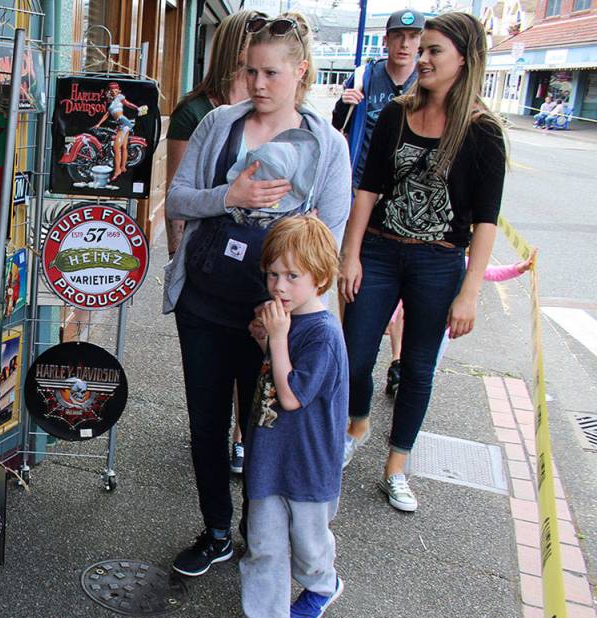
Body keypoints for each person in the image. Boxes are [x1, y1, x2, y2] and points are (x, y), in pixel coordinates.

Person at [164, 12, 351, 577]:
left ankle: (259, 536)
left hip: (272, 316)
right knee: (205, 421)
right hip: (204, 301)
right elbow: (175, 199)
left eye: (271, 72)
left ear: (301, 72)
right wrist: (230, 194)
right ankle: (216, 530)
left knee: (264, 427)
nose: (258, 84)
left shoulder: (327, 145)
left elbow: (328, 247)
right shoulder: (219, 124)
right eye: (250, 71)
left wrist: (288, 314)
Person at [338, 12, 507, 511]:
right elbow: (367, 188)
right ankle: (358, 424)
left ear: (464, 59)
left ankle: (396, 467)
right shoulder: (395, 112)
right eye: (422, 48)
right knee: (354, 352)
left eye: (434, 50)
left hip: (439, 262)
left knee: (417, 368)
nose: (422, 57)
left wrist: (470, 293)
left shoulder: (483, 132)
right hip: (380, 249)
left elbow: (487, 221)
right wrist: (351, 254)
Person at [237, 215, 348, 618]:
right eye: (273, 273)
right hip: (269, 454)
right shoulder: (284, 321)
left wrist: (277, 341)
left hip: (308, 463)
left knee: (307, 544)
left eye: (292, 276)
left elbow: (291, 395)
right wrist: (268, 341)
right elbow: (277, 372)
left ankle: (323, 584)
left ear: (320, 278)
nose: (279, 285)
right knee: (263, 544)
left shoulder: (322, 333)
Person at [166, 8, 269, 474]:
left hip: (259, 275)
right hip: (206, 263)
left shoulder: (288, 122)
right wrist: (178, 257)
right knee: (213, 379)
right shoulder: (199, 113)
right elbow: (178, 194)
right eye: (253, 51)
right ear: (236, 50)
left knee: (251, 375)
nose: (260, 75)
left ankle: (242, 437)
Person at [381, 249, 536, 399]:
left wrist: (518, 268)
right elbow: (402, 295)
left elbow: (491, 272)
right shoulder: (424, 263)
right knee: (411, 364)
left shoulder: (462, 262)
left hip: (442, 330)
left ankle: (409, 398)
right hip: (415, 323)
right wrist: (391, 318)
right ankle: (401, 382)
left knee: (427, 372)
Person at [331, 8, 425, 190]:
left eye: (413, 36)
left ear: (421, 42)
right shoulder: (364, 77)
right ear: (386, 40)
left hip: (404, 188)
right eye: (398, 36)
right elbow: (338, 127)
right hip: (360, 182)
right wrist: (344, 104)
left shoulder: (426, 81)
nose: (405, 44)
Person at [94, 82, 148, 180]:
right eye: (112, 91)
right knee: (123, 147)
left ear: (118, 91)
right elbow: (107, 114)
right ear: (109, 92)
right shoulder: (112, 102)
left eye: (115, 90)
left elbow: (128, 104)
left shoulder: (120, 97)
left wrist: (137, 108)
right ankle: (123, 167)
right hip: (121, 124)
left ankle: (117, 170)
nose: (114, 92)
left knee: (116, 147)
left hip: (124, 122)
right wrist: (98, 124)